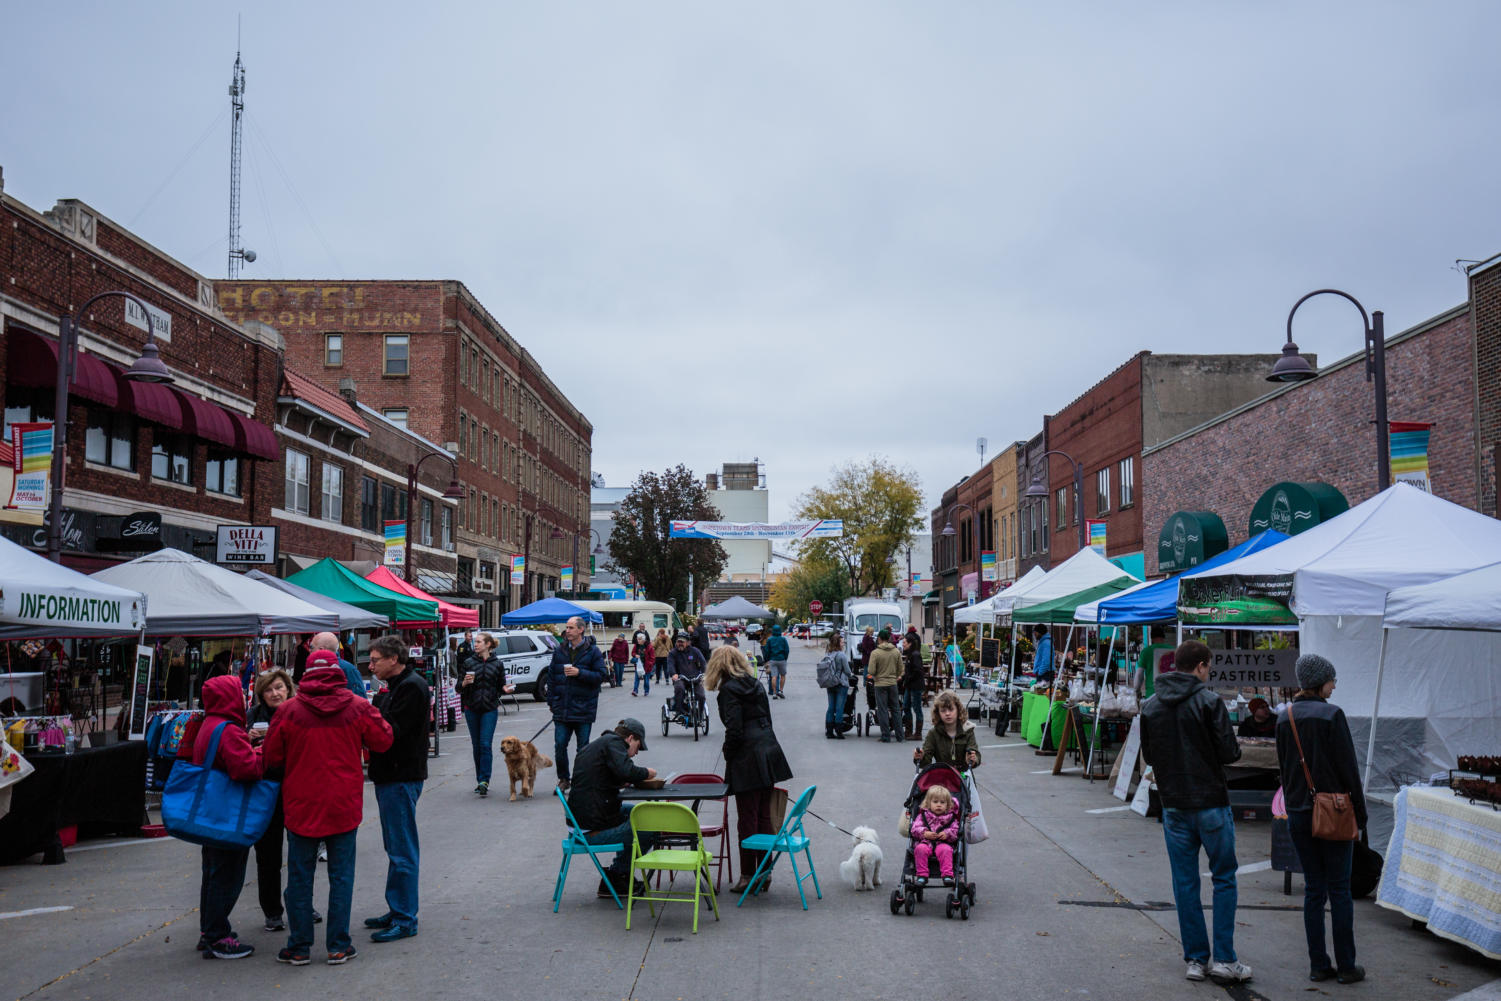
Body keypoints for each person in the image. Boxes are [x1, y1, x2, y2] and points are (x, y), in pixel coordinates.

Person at [263, 649, 393, 967]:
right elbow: (384, 740)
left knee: (299, 876)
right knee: (341, 876)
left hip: (301, 804)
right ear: (338, 671)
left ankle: (299, 946)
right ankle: (338, 944)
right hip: (343, 803)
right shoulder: (357, 706)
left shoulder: (289, 711)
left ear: (305, 673)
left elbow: (272, 758)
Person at [1139, 640, 1251, 985]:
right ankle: (1225, 959)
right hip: (1211, 801)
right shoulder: (1209, 701)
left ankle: (1196, 959)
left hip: (1174, 803)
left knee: (1185, 882)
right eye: (1209, 666)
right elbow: (1229, 753)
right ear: (1201, 666)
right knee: (1224, 878)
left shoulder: (1151, 705)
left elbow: (1151, 756)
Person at [1276, 653, 1367, 986]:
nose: (1334, 684)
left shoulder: (1284, 717)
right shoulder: (1332, 715)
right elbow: (1349, 769)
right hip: (1335, 810)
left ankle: (1318, 964)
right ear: (1320, 681)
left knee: (1314, 890)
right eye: (1332, 679)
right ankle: (1346, 966)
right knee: (1339, 889)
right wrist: (1360, 810)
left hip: (1299, 811)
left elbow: (1284, 768)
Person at [182, 674, 264, 960]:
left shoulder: (209, 723)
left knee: (213, 872)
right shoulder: (228, 729)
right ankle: (217, 935)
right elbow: (245, 769)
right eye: (239, 692)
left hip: (211, 813)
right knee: (227, 875)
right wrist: (261, 754)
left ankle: (209, 932)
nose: (243, 697)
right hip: (227, 815)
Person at [705, 646, 792, 894]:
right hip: (767, 747)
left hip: (747, 755)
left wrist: (728, 753)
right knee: (764, 815)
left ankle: (747, 874)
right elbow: (767, 717)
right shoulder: (755, 684)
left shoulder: (728, 690)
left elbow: (734, 730)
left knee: (747, 818)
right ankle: (764, 872)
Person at [365, 635, 430, 943]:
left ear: (394, 659)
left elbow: (391, 731)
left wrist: (373, 709)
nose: (371, 664)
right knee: (395, 846)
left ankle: (405, 917)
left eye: (375, 659)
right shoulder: (399, 686)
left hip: (400, 775)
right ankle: (398, 907)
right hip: (392, 775)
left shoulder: (411, 687)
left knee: (402, 847)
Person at [248, 669, 312, 934]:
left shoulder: (301, 712)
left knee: (302, 853)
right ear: (262, 694)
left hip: (296, 789)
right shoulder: (252, 718)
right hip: (266, 791)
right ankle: (272, 911)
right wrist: (248, 739)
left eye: (279, 687)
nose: (275, 693)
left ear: (288, 688)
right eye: (269, 690)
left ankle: (302, 905)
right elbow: (242, 755)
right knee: (268, 855)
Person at [567, 718, 657, 898]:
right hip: (588, 832)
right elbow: (627, 771)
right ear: (630, 738)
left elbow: (605, 775)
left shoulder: (601, 744)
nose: (635, 754)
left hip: (582, 823)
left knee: (640, 812)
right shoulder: (614, 743)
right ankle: (617, 877)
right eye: (638, 747)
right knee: (650, 825)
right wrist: (647, 773)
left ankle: (617, 876)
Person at [544, 616, 608, 792]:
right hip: (562, 708)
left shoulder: (593, 651)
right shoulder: (560, 651)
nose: (567, 631)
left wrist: (580, 672)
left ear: (581, 629)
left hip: (584, 708)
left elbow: (601, 676)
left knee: (583, 749)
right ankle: (564, 779)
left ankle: (581, 780)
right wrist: (551, 701)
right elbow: (551, 678)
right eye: (567, 627)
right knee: (560, 746)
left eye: (571, 628)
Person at [458, 631, 511, 797]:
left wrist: (505, 689)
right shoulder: (468, 662)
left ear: (488, 645)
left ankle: (484, 780)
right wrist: (464, 683)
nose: (476, 644)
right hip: (471, 708)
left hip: (489, 708)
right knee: (476, 745)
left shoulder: (497, 664)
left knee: (485, 744)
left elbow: (501, 685)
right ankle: (479, 779)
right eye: (475, 642)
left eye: (479, 642)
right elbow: (458, 688)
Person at [914, 690, 981, 770]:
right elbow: (925, 762)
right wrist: (920, 757)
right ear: (938, 713)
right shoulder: (933, 733)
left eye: (951, 709)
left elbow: (975, 752)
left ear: (958, 710)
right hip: (942, 776)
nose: (947, 713)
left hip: (963, 776)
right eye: (943, 711)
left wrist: (973, 759)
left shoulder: (967, 730)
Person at [910, 784, 961, 884]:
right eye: (935, 802)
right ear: (928, 803)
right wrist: (924, 833)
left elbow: (956, 831)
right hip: (926, 842)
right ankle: (921, 875)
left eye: (942, 802)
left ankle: (947, 875)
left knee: (945, 850)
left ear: (948, 805)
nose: (939, 805)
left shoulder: (951, 818)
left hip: (943, 843)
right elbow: (914, 829)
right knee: (920, 849)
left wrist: (947, 834)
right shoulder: (922, 816)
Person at [866, 628, 904, 742]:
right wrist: (894, 676)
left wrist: (877, 674)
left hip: (880, 684)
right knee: (896, 709)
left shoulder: (875, 653)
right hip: (892, 683)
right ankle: (900, 735)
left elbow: (871, 670)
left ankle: (885, 735)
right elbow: (900, 669)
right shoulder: (896, 651)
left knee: (882, 710)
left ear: (880, 639)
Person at [310, 631, 366, 699]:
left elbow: (360, 699)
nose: (309, 650)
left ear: (321, 650)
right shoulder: (313, 667)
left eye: (311, 647)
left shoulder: (348, 669)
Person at [667, 631, 707, 717]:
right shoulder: (673, 653)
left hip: (695, 678)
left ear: (688, 642)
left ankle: (700, 713)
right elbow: (670, 665)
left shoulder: (695, 651)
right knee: (679, 688)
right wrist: (674, 674)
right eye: (678, 642)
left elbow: (703, 663)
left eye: (682, 642)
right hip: (681, 678)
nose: (680, 644)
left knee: (701, 696)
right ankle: (679, 710)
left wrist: (705, 674)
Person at [822, 632, 852, 740]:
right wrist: (850, 675)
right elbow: (848, 671)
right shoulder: (841, 655)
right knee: (839, 708)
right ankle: (839, 731)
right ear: (838, 643)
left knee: (831, 708)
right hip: (841, 684)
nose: (843, 644)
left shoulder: (828, 654)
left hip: (830, 683)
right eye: (842, 642)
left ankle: (829, 731)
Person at [900, 634, 926, 741]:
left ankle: (918, 733)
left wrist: (908, 678)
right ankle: (908, 730)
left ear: (910, 644)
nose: (903, 644)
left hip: (915, 685)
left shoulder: (915, 655)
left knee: (917, 708)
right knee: (906, 706)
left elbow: (918, 670)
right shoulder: (910, 654)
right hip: (909, 685)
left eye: (905, 642)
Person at [761, 624, 790, 700]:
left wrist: (767, 659)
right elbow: (787, 650)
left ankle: (774, 693)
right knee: (783, 676)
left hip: (773, 660)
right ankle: (780, 691)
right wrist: (785, 658)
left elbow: (767, 650)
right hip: (782, 659)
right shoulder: (783, 639)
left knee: (774, 676)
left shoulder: (770, 639)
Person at [631, 632, 655, 697]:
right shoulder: (636, 645)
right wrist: (635, 655)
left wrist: (650, 663)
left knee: (646, 680)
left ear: (643, 640)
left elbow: (652, 657)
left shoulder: (649, 646)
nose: (638, 640)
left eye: (639, 639)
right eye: (637, 639)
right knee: (637, 679)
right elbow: (632, 653)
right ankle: (635, 691)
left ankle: (646, 691)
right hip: (638, 665)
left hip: (646, 666)